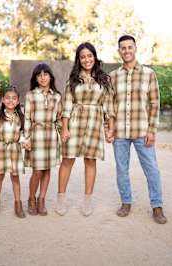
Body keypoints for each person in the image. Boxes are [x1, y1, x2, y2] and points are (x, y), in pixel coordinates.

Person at [110, 35, 167, 224]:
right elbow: (109, 105)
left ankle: (157, 206)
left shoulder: (148, 73)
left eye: (129, 47)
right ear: (119, 51)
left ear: (135, 48)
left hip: (142, 130)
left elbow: (154, 103)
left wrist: (152, 130)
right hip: (120, 133)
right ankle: (126, 202)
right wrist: (108, 127)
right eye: (123, 48)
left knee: (152, 169)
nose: (126, 51)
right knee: (121, 169)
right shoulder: (113, 76)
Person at [55, 42, 115, 216]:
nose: (86, 59)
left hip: (95, 121)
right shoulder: (73, 79)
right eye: (83, 57)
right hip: (74, 121)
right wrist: (64, 128)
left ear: (94, 57)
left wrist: (109, 128)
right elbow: (66, 104)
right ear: (79, 60)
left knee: (90, 161)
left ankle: (87, 201)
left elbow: (108, 105)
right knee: (67, 160)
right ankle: (61, 199)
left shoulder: (104, 79)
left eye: (89, 56)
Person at [24, 63, 62, 216]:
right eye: (39, 75)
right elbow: (26, 118)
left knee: (47, 169)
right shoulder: (31, 95)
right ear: (36, 78)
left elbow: (59, 118)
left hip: (51, 135)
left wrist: (63, 133)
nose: (43, 77)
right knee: (37, 171)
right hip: (36, 134)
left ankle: (42, 199)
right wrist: (25, 138)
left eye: (46, 74)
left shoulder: (57, 96)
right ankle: (31, 198)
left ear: (50, 76)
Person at [0, 86, 25, 218]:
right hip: (2, 150)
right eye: (8, 98)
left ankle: (18, 204)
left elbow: (22, 135)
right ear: (3, 100)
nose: (11, 100)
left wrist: (25, 141)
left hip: (15, 150)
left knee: (15, 178)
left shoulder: (20, 117)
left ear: (18, 101)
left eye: (14, 98)